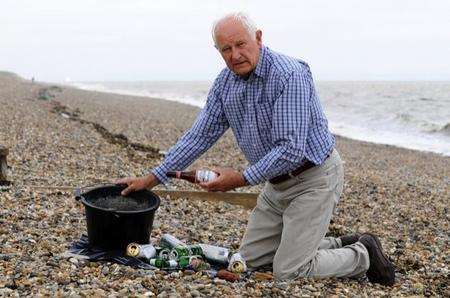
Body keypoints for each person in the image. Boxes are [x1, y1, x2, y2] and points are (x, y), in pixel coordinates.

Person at [117, 12, 395, 285]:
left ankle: (363, 253)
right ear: (218, 51)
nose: (235, 54)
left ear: (258, 38)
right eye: (226, 49)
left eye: (240, 44)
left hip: (314, 178)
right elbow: (198, 136)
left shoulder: (289, 75)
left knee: (288, 270)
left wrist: (240, 178)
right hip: (275, 185)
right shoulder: (224, 84)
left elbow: (290, 150)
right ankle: (338, 242)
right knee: (247, 262)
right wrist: (151, 178)